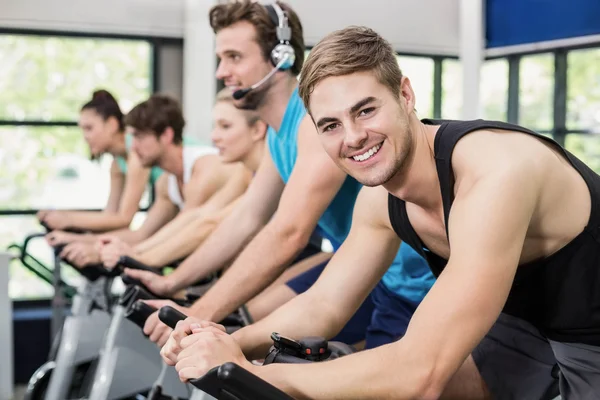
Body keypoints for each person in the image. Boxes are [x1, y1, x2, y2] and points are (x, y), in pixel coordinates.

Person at [163, 26, 600, 399]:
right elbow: (324, 303)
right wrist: (221, 341)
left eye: (366, 110)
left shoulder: (494, 172)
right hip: (521, 323)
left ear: (405, 94)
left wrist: (256, 373)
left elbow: (420, 371)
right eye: (331, 125)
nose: (353, 137)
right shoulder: (380, 199)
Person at [143, 0, 434, 350]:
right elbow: (247, 218)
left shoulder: (315, 124)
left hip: (416, 282)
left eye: (234, 57)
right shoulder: (278, 134)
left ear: (281, 56)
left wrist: (198, 314)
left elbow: (288, 233)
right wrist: (169, 285)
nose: (222, 71)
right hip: (376, 276)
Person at [126, 87, 332, 320]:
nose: (214, 137)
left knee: (244, 318)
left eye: (225, 127)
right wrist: (142, 257)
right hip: (282, 265)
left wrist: (146, 260)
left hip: (307, 260)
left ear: (257, 130)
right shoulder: (245, 172)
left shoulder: (270, 165)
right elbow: (207, 217)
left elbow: (213, 224)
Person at [56, 94, 251, 269]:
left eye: (140, 137)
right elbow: (144, 234)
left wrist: (125, 255)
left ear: (166, 136)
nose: (133, 147)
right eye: (132, 138)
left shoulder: (203, 171)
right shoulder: (166, 182)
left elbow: (188, 229)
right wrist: (97, 245)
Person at [38, 89, 163, 239]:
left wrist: (68, 219)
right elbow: (111, 217)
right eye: (82, 130)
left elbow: (124, 218)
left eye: (89, 128)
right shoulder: (117, 164)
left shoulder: (136, 152)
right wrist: (61, 217)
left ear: (111, 125)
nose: (85, 137)